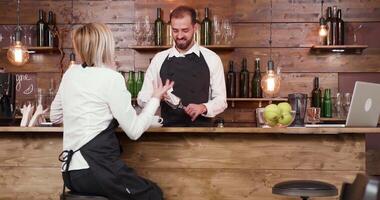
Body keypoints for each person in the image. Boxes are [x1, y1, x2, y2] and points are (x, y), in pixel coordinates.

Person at [50, 23, 173, 200]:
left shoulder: (70, 74)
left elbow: (55, 116)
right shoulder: (111, 78)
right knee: (153, 194)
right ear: (106, 46)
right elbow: (134, 131)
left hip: (70, 174)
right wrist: (155, 98)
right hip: (97, 170)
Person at [137, 5, 227, 127]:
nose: (179, 36)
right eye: (175, 30)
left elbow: (221, 100)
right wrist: (156, 97)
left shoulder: (211, 58)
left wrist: (203, 107)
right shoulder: (159, 59)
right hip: (166, 133)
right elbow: (142, 98)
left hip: (202, 133)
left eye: (185, 30)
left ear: (195, 28)